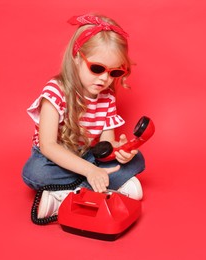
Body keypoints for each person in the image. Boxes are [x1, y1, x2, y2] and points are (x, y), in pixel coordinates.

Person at [22, 13, 146, 219]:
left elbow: (104, 148)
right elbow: (48, 146)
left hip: (87, 155)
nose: (105, 78)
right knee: (34, 172)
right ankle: (104, 189)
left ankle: (64, 194)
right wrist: (89, 170)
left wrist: (120, 150)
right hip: (53, 159)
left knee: (137, 160)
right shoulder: (55, 92)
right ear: (77, 57)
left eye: (114, 72)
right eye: (97, 68)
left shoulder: (107, 97)